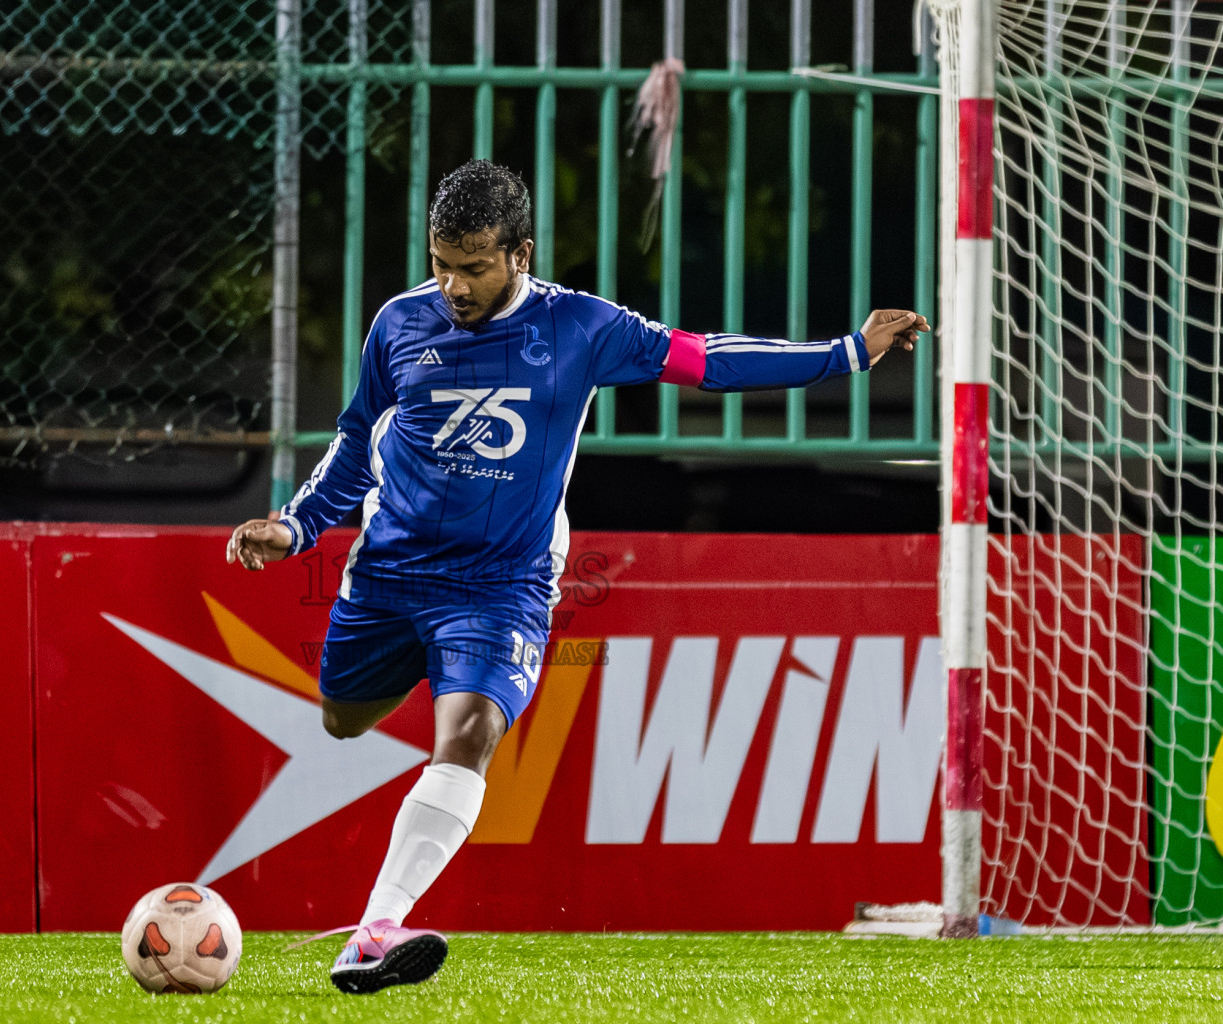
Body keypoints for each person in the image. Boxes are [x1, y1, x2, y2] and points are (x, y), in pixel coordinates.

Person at [227, 159, 926, 994]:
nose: (454, 285)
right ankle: (418, 677)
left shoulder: (579, 327)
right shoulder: (400, 322)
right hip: (390, 573)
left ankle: (376, 930)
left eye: (474, 266)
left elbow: (704, 359)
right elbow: (355, 438)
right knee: (343, 720)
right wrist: (296, 525)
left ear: (520, 254)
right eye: (441, 263)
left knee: (470, 731)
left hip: (501, 583)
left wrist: (846, 352)